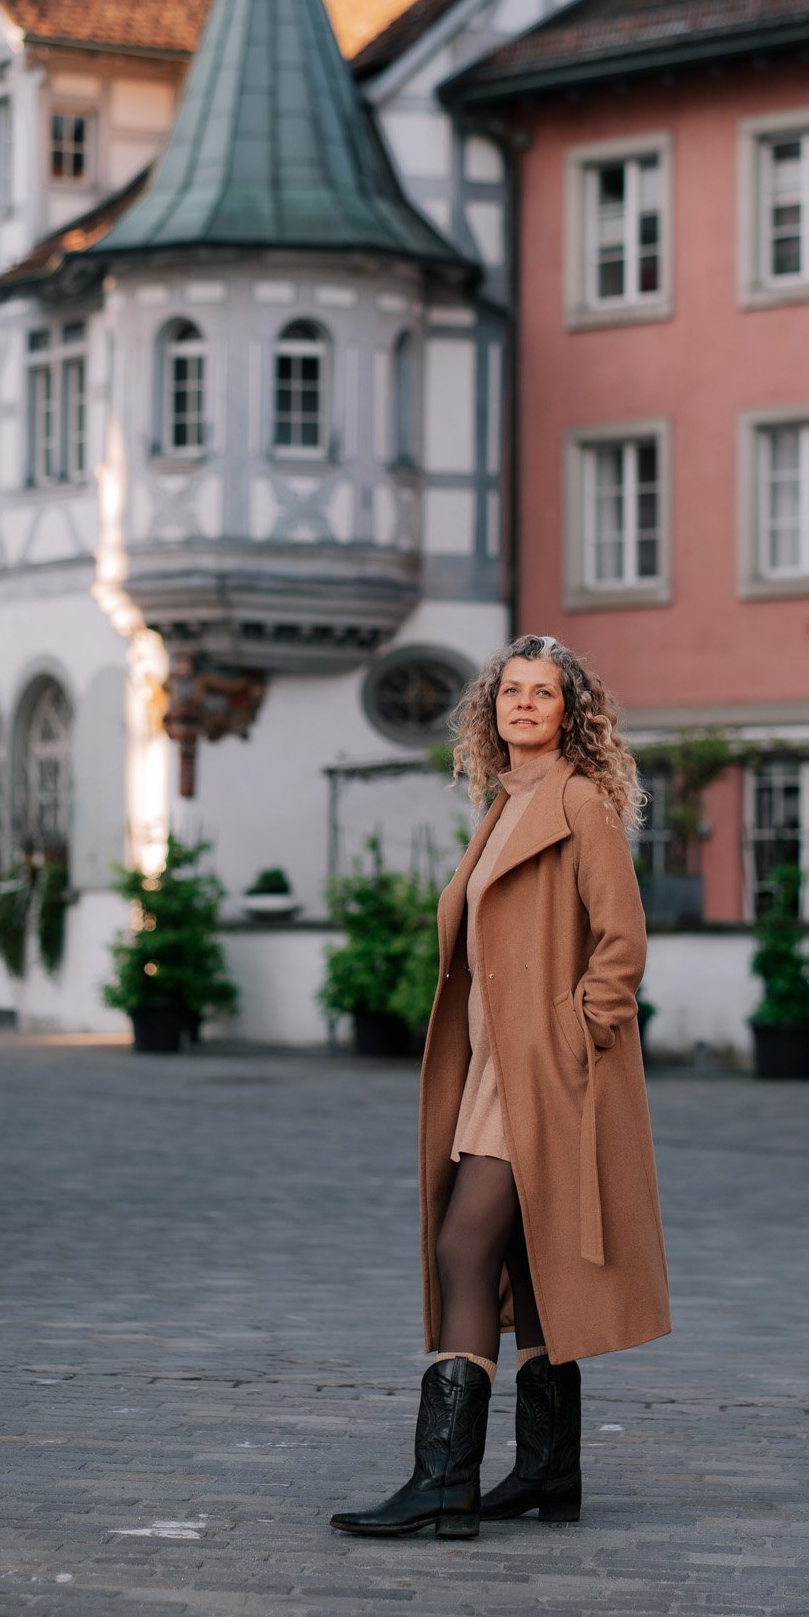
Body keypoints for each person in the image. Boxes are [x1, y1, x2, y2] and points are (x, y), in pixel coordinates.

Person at [330, 633, 671, 1539]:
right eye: (511, 691)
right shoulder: (505, 803)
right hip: (493, 1067)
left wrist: (572, 1036)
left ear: (570, 712)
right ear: (491, 709)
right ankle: (547, 1474)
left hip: (541, 1073)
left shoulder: (578, 802)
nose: (524, 704)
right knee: (526, 1262)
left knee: (462, 1249)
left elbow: (621, 945)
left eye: (544, 694)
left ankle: (444, 1481)